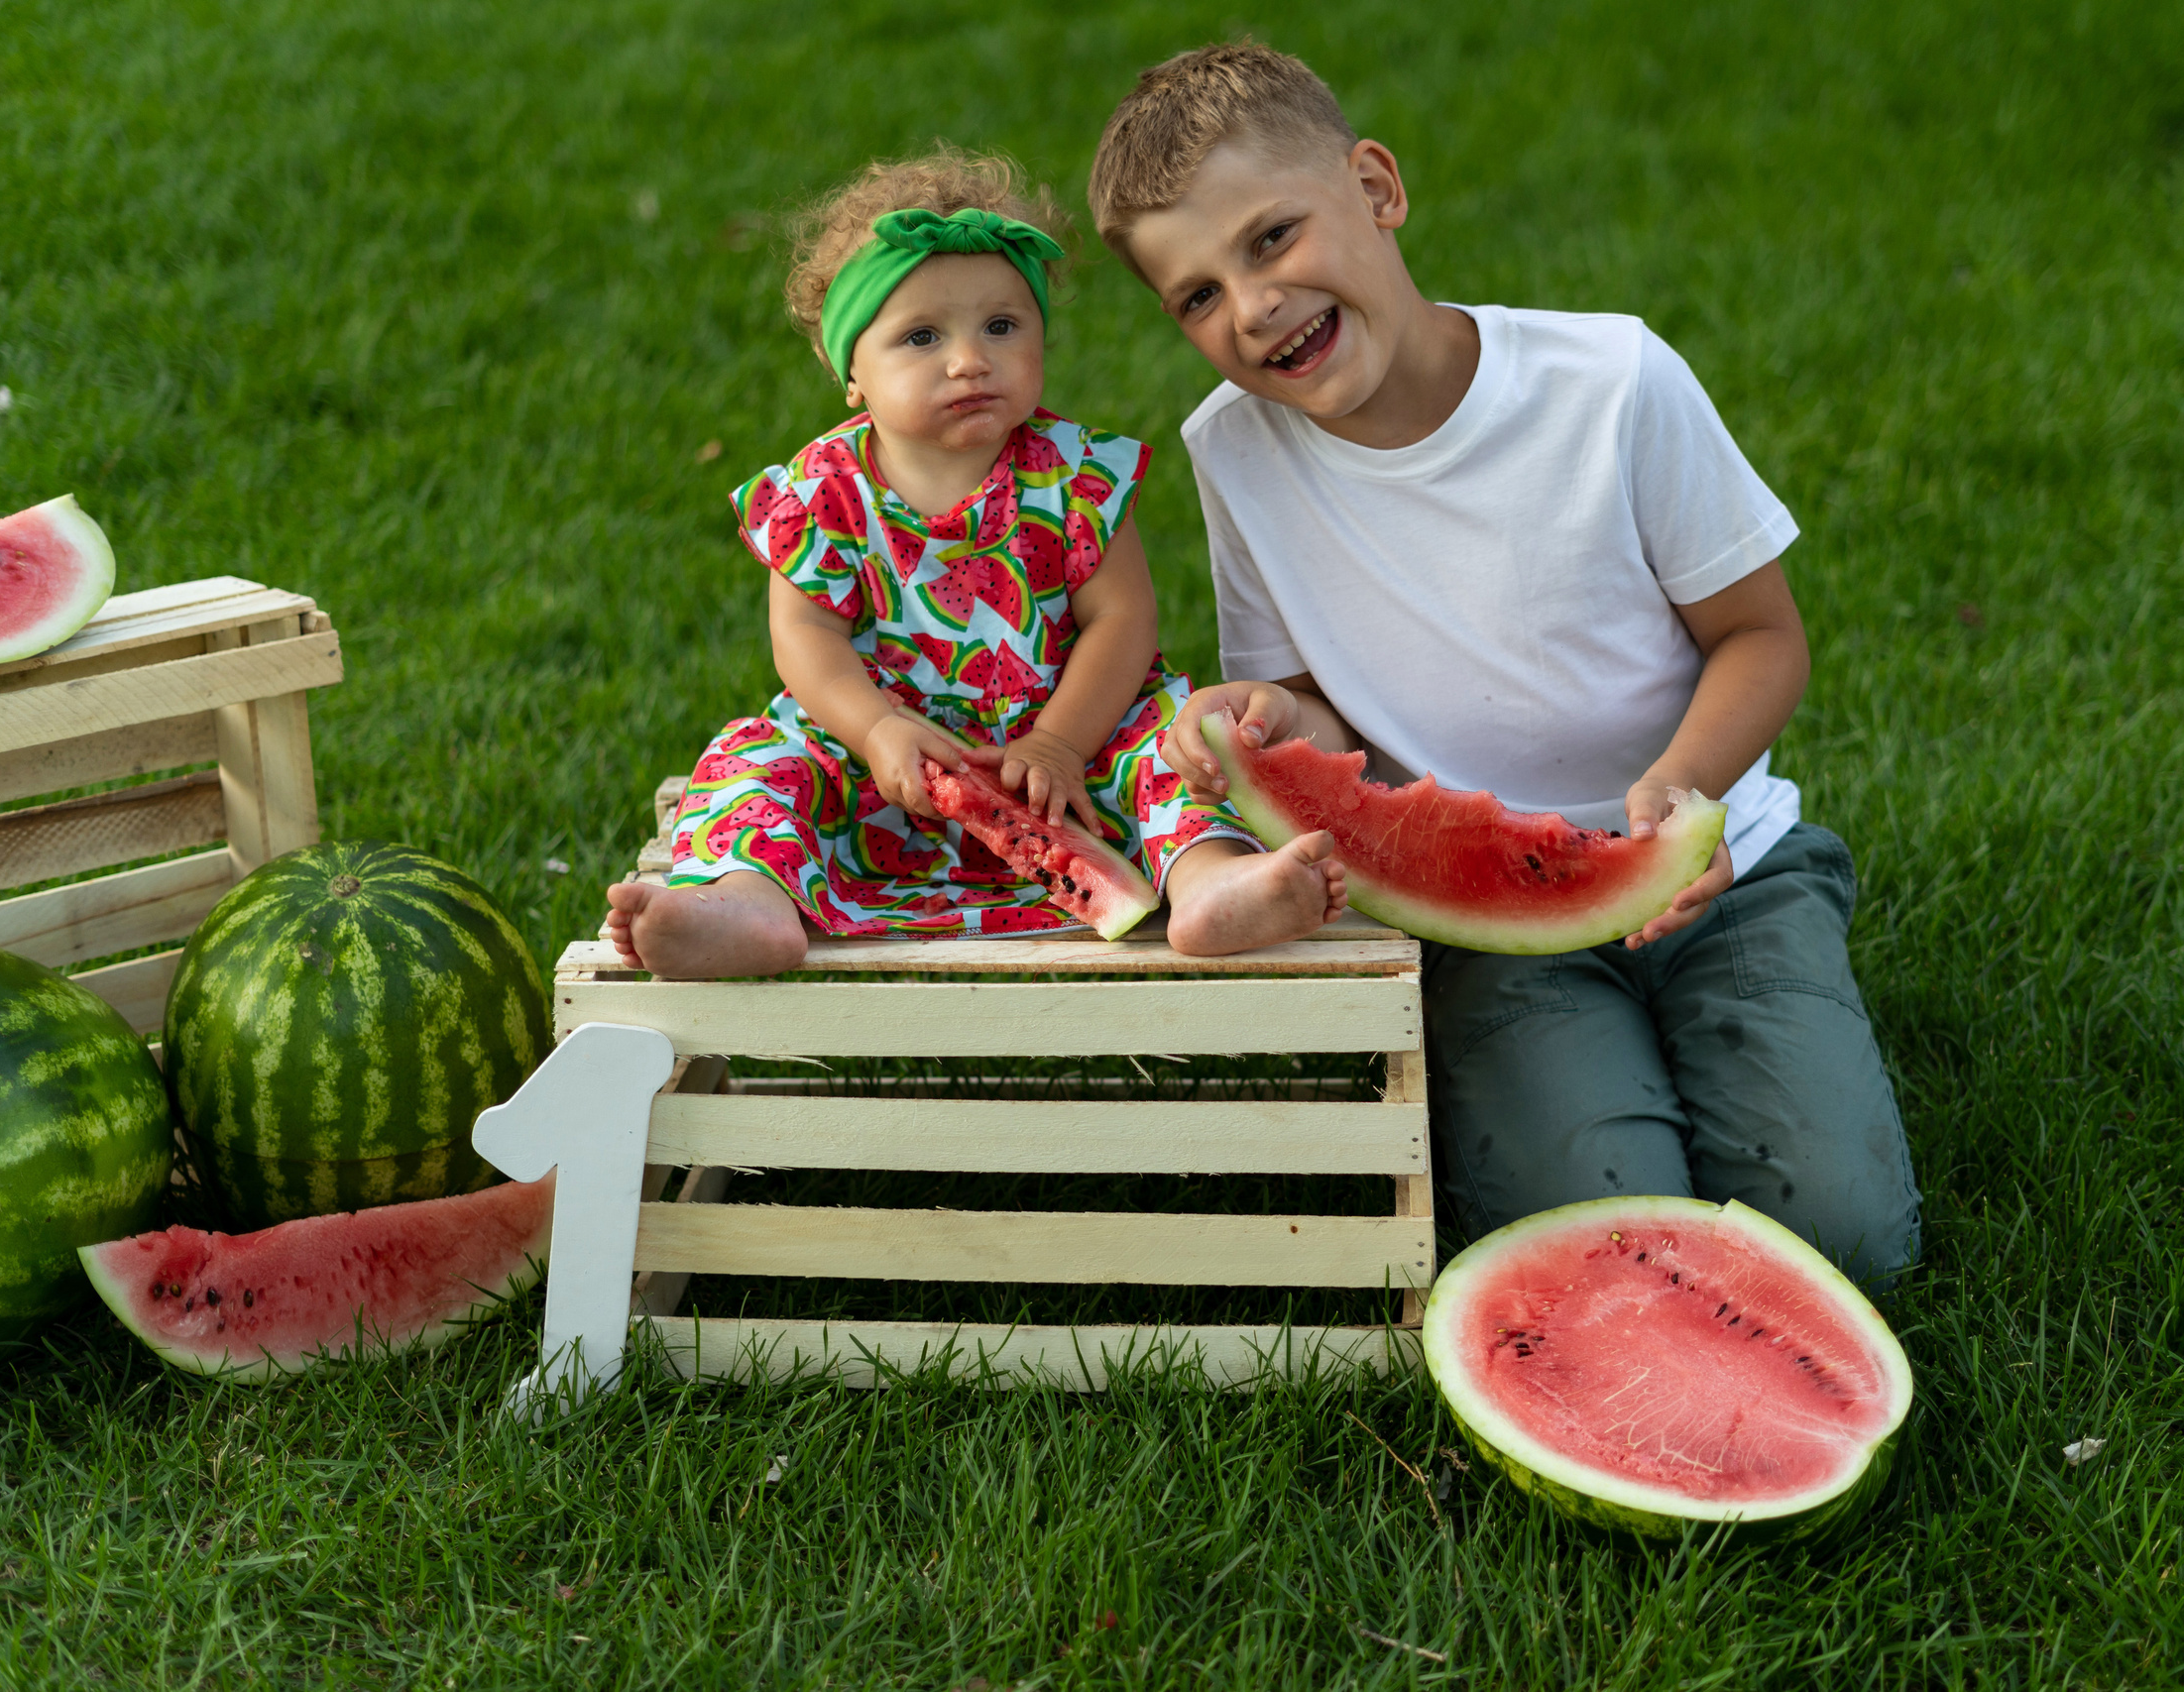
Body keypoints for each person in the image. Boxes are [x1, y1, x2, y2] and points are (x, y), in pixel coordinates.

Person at [1092, 47, 1919, 1287]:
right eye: (1197, 296)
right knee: (1592, 1232)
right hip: (1478, 922)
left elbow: (1760, 638)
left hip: (1722, 865)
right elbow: (1320, 718)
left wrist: (1683, 794)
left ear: (1375, 188)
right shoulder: (1234, 449)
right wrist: (1268, 714)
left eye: (1270, 240)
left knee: (1848, 1238)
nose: (1250, 307)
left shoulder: (1614, 383)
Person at [606, 148, 1346, 978]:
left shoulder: (1074, 475)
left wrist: (1063, 743)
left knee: (1171, 756)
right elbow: (805, 639)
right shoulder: (822, 493)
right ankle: (747, 902)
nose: (969, 359)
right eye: (922, 336)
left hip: (1073, 757)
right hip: (881, 770)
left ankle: (1212, 884)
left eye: (1002, 326)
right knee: (758, 766)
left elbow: (1123, 619)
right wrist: (877, 729)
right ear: (851, 373)